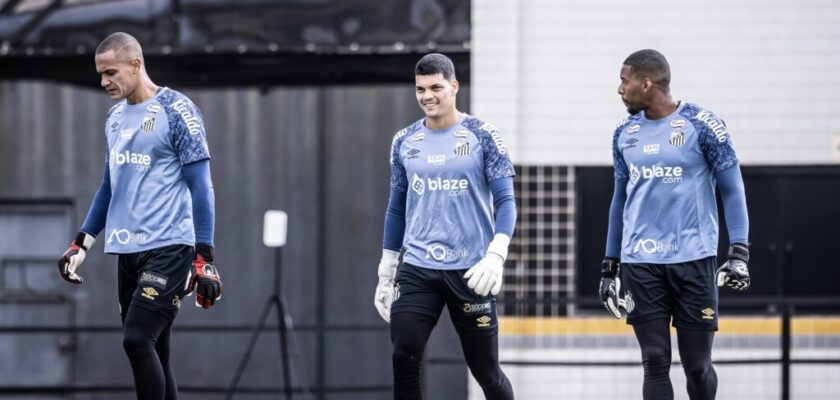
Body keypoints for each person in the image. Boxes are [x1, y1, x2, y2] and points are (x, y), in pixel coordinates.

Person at [57, 32, 223, 400]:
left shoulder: (178, 111)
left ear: (136, 64)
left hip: (169, 249)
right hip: (128, 254)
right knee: (156, 353)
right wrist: (80, 243)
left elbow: (202, 187)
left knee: (136, 339)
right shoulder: (115, 118)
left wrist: (205, 258)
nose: (104, 82)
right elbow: (108, 187)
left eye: (111, 72)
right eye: (100, 74)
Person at [599, 49, 751, 400]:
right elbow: (619, 200)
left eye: (624, 80)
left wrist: (739, 251)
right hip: (641, 263)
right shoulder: (624, 133)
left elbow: (732, 190)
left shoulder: (704, 125)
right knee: (654, 360)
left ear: (647, 83)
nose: (620, 89)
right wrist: (610, 267)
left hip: (694, 260)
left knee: (697, 366)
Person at [373, 53, 517, 400]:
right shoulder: (404, 140)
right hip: (418, 268)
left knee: (486, 372)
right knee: (403, 355)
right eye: (420, 89)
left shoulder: (483, 135)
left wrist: (495, 255)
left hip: (471, 270)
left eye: (436, 87)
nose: (427, 96)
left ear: (454, 86)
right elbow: (396, 208)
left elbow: (506, 202)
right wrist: (386, 270)